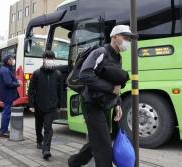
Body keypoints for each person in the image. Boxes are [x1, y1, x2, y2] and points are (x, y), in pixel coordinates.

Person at [68, 25, 136, 167]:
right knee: (104, 145)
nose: (127, 42)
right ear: (114, 37)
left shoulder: (118, 58)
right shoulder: (101, 52)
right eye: (125, 38)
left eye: (129, 39)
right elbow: (84, 75)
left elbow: (116, 84)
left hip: (104, 103)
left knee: (98, 139)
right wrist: (110, 88)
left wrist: (117, 103)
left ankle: (74, 162)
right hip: (90, 103)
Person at [28, 50, 62, 160]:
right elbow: (31, 90)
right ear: (43, 59)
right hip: (39, 105)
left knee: (48, 128)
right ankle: (39, 140)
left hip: (51, 107)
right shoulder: (37, 73)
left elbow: (60, 91)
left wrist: (60, 105)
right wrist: (31, 104)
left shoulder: (58, 74)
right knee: (39, 125)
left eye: (51, 58)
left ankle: (46, 150)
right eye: (47, 58)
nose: (49, 60)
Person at [0, 53, 21, 138]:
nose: (13, 61)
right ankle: (3, 131)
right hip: (7, 95)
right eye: (11, 59)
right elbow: (8, 83)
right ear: (8, 61)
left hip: (7, 95)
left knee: (6, 112)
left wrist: (17, 80)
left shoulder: (6, 69)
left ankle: (4, 130)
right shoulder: (5, 70)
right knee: (6, 113)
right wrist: (17, 84)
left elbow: (11, 79)